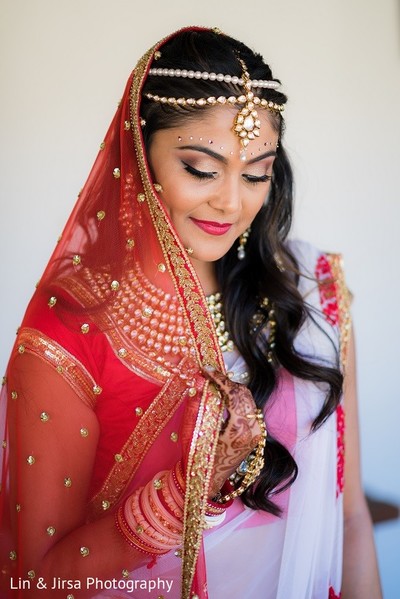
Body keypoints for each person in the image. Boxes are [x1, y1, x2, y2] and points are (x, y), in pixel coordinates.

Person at [0, 26, 381, 599]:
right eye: (202, 169)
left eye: (256, 173)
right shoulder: (72, 334)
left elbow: (349, 517)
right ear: (139, 150)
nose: (232, 201)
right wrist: (184, 495)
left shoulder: (308, 292)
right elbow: (35, 583)